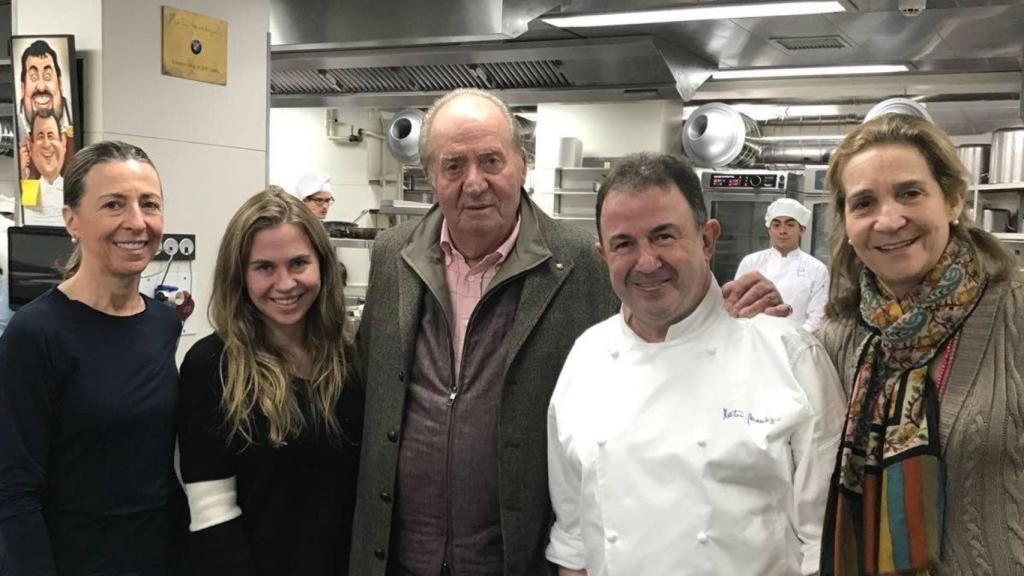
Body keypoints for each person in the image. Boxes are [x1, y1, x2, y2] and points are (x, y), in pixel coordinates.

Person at [350, 87, 787, 576]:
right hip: (401, 559)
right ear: (430, 175)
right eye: (453, 166)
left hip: (522, 558)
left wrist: (731, 305)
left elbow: (662, 316)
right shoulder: (393, 256)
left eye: (492, 160)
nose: (475, 183)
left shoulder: (582, 262)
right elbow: (370, 388)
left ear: (523, 164)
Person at [546, 153, 845, 576]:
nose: (646, 262)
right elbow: (574, 541)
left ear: (707, 239)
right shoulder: (586, 357)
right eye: (624, 243)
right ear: (603, 255)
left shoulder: (789, 355)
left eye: (664, 236)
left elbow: (826, 546)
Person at [816, 114, 1024, 575]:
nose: (889, 220)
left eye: (910, 193)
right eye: (864, 203)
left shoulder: (1014, 317)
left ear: (952, 200)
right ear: (848, 222)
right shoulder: (834, 339)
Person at [0, 141, 185, 575]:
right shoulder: (36, 334)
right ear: (72, 221)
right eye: (113, 205)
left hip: (164, 557)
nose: (136, 222)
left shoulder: (162, 324)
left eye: (149, 204)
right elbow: (12, 490)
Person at [177, 188, 363, 576]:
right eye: (264, 267)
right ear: (239, 275)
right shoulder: (211, 366)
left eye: (298, 263)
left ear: (323, 266)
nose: (286, 283)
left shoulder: (350, 359)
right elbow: (213, 515)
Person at [735, 197, 829, 332]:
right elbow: (738, 306)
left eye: (790, 225)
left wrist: (792, 341)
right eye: (776, 225)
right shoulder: (751, 262)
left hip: (796, 344)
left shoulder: (817, 269)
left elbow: (817, 317)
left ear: (802, 230)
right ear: (769, 230)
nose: (782, 231)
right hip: (755, 340)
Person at [18, 39, 74, 182]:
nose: (41, 86)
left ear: (60, 83)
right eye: (33, 77)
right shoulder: (15, 123)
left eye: (48, 76)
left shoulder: (73, 115)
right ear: (23, 87)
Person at [23, 109, 68, 225]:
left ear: (63, 142)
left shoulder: (75, 191)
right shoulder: (29, 188)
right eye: (40, 136)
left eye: (51, 136)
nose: (46, 144)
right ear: (30, 146)